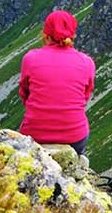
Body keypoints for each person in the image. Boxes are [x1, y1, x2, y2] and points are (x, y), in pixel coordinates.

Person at [19, 9, 96, 155]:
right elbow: (84, 97)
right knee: (76, 160)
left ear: (46, 35)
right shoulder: (87, 62)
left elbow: (25, 93)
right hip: (74, 135)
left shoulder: (30, 58)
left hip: (35, 134)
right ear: (73, 35)